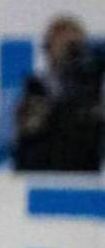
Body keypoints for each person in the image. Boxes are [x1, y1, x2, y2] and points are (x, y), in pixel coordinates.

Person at [13, 15, 105, 171]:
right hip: (36, 177)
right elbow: (1, 142)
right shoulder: (29, 90)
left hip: (82, 180)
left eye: (75, 47)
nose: (69, 53)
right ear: (48, 48)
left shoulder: (94, 93)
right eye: (63, 45)